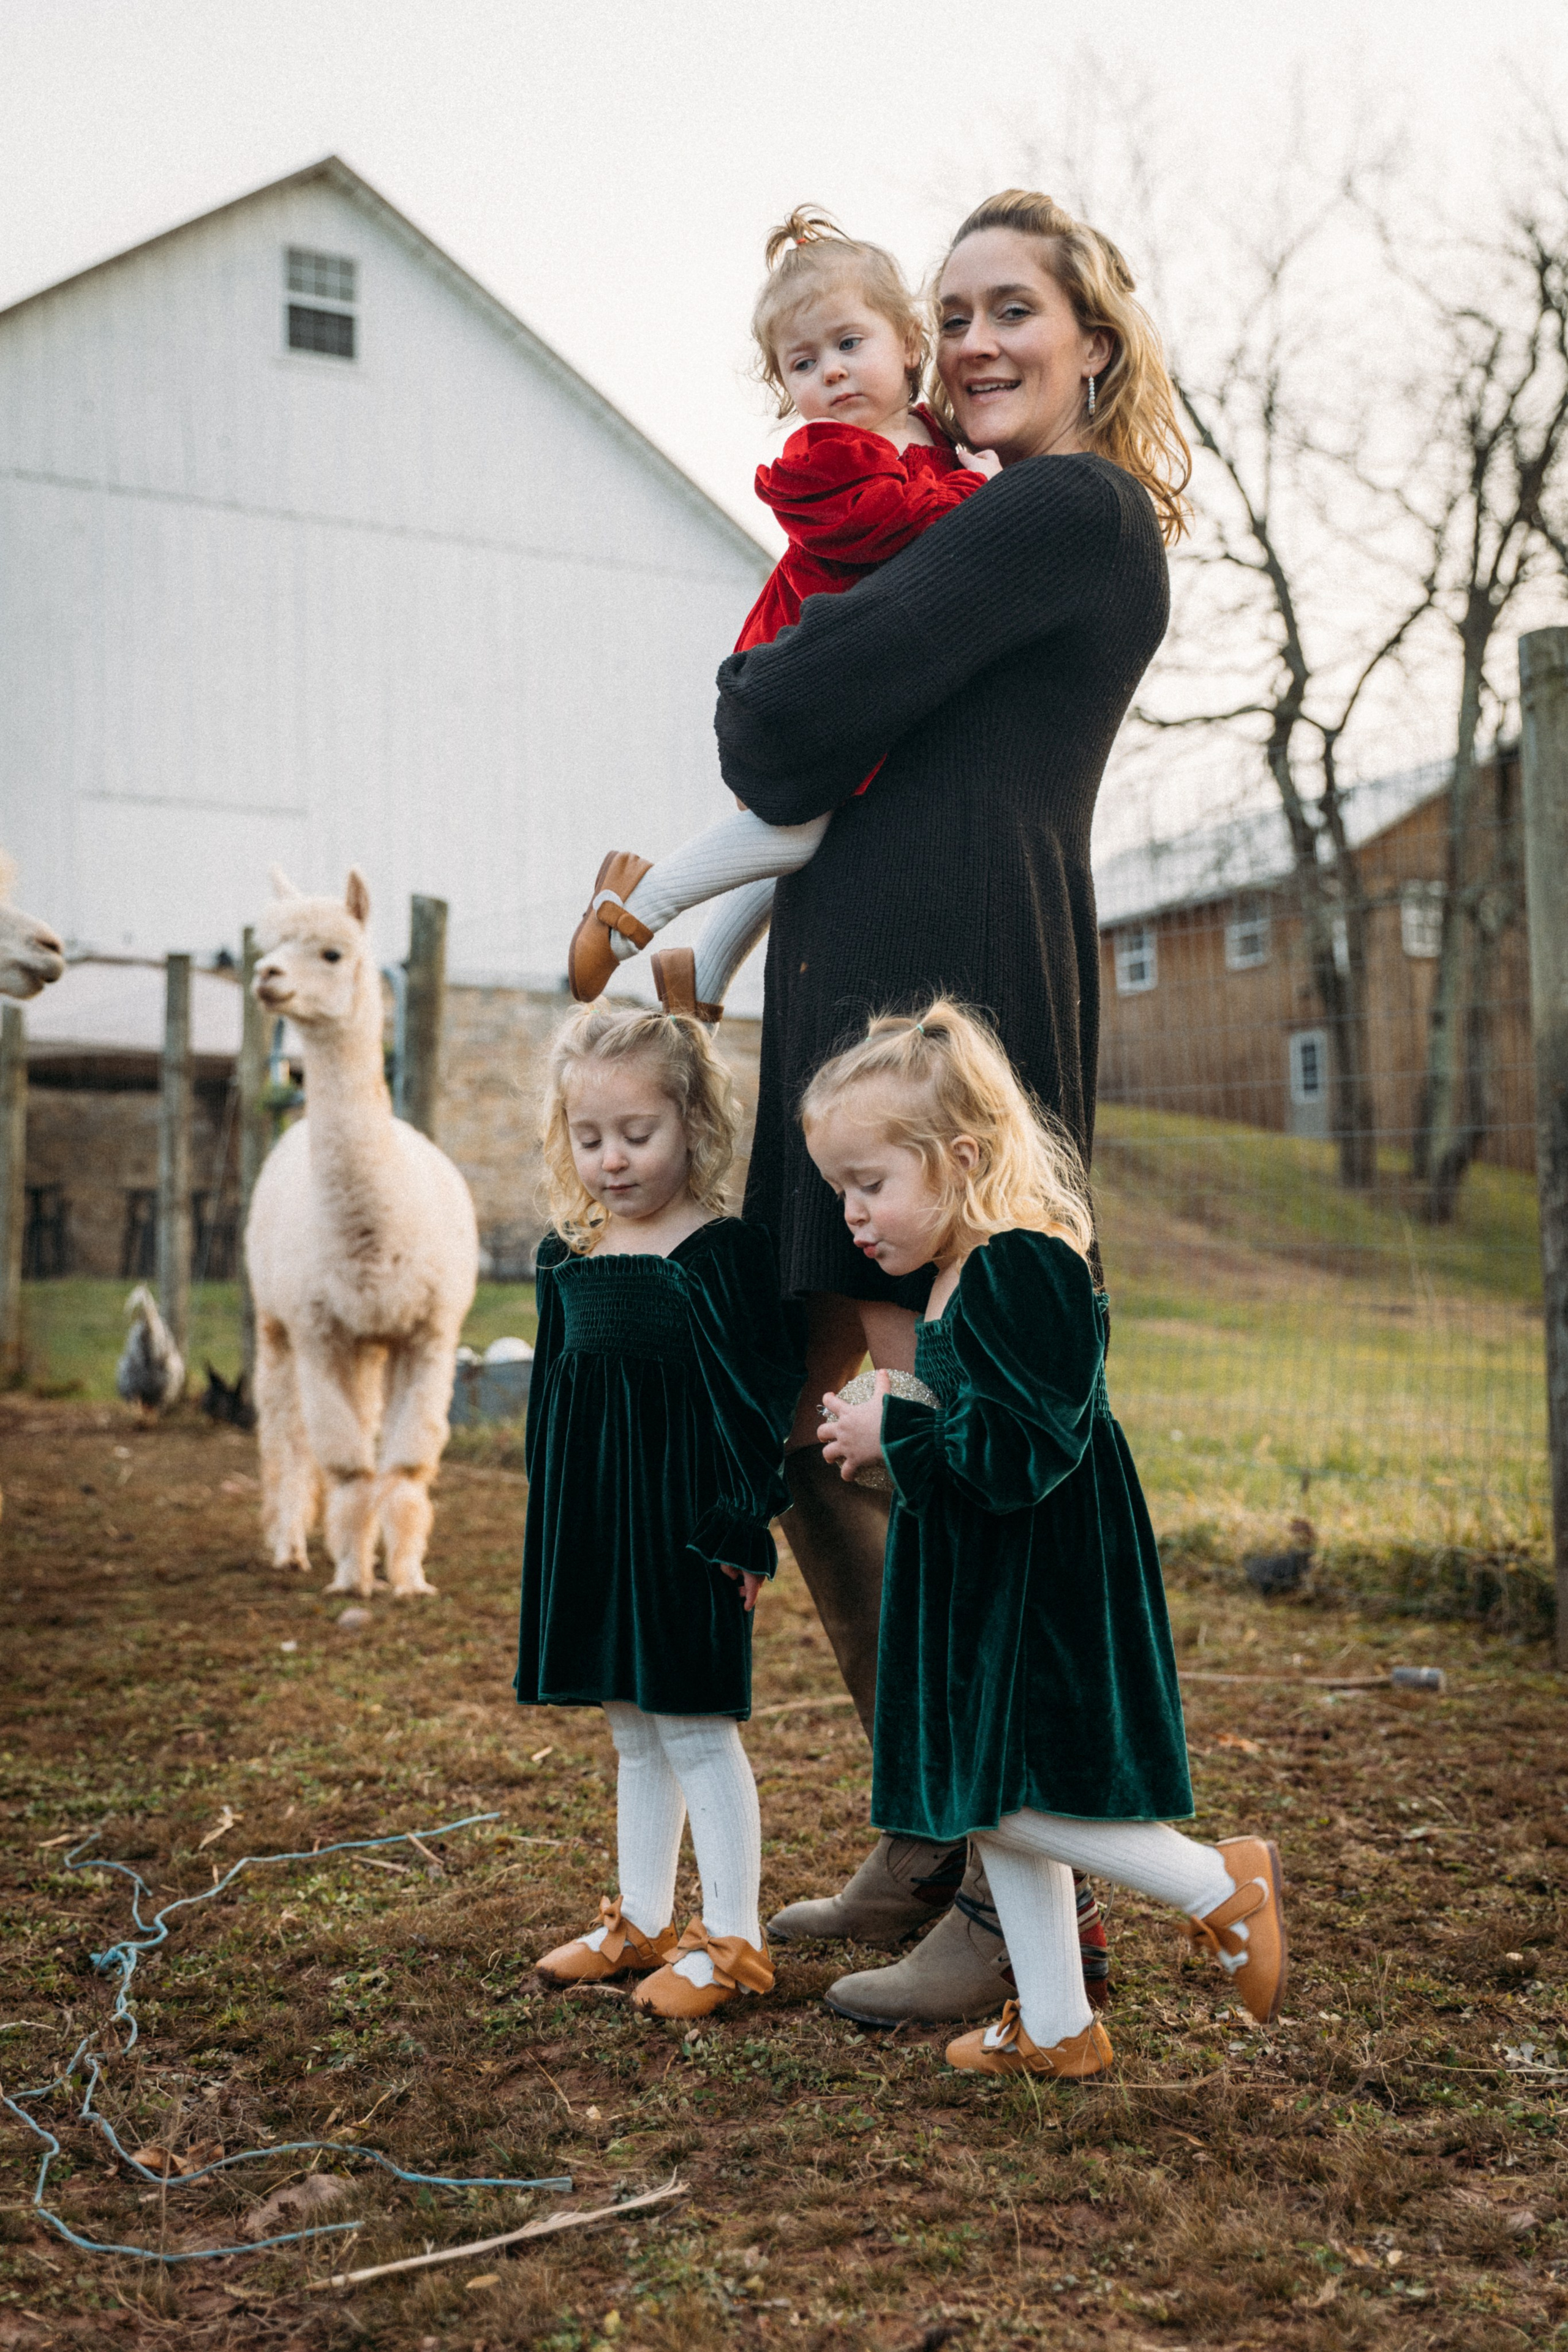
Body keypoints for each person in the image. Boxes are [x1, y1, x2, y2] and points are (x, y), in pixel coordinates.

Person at [709, 187, 1192, 2027]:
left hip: (962, 1008)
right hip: (848, 1013)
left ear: (1091, 341)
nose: (980, 341)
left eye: (1016, 310)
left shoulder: (1067, 515)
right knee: (826, 1418)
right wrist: (786, 688)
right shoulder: (948, 527)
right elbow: (794, 718)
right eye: (957, 310)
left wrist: (772, 686)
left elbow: (772, 728)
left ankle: (1020, 1889)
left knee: (957, 1438)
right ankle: (934, 1826)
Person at [805, 1003, 1287, 2074]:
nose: (850, 1213)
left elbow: (1028, 1448)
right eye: (840, 1189)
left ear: (960, 1158)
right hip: (982, 1582)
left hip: (1041, 1592)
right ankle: (1061, 2027)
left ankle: (1220, 1885)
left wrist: (905, 1431)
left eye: (870, 1184)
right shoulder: (953, 1274)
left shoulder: (1028, 1262)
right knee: (988, 1805)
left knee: (1017, 1798)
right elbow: (969, 1438)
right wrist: (892, 1437)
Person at [565, 206, 989, 1024]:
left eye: (848, 344)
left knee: (801, 836)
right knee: (792, 832)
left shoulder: (927, 437)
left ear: (909, 344)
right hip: (798, 665)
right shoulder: (827, 459)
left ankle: (703, 978)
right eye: (803, 362)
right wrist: (978, 491)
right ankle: (631, 916)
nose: (830, 372)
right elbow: (891, 525)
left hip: (852, 673)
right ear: (785, 388)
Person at [517, 1003, 802, 2020]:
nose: (612, 1162)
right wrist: (553, 1523)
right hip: (598, 1531)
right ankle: (642, 1919)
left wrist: (741, 1524)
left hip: (684, 1533)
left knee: (693, 1725)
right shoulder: (570, 1256)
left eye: (638, 1137)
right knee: (633, 1729)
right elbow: (554, 1399)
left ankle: (734, 1942)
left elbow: (755, 1401)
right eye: (589, 1139)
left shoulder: (719, 1255)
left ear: (692, 1121)